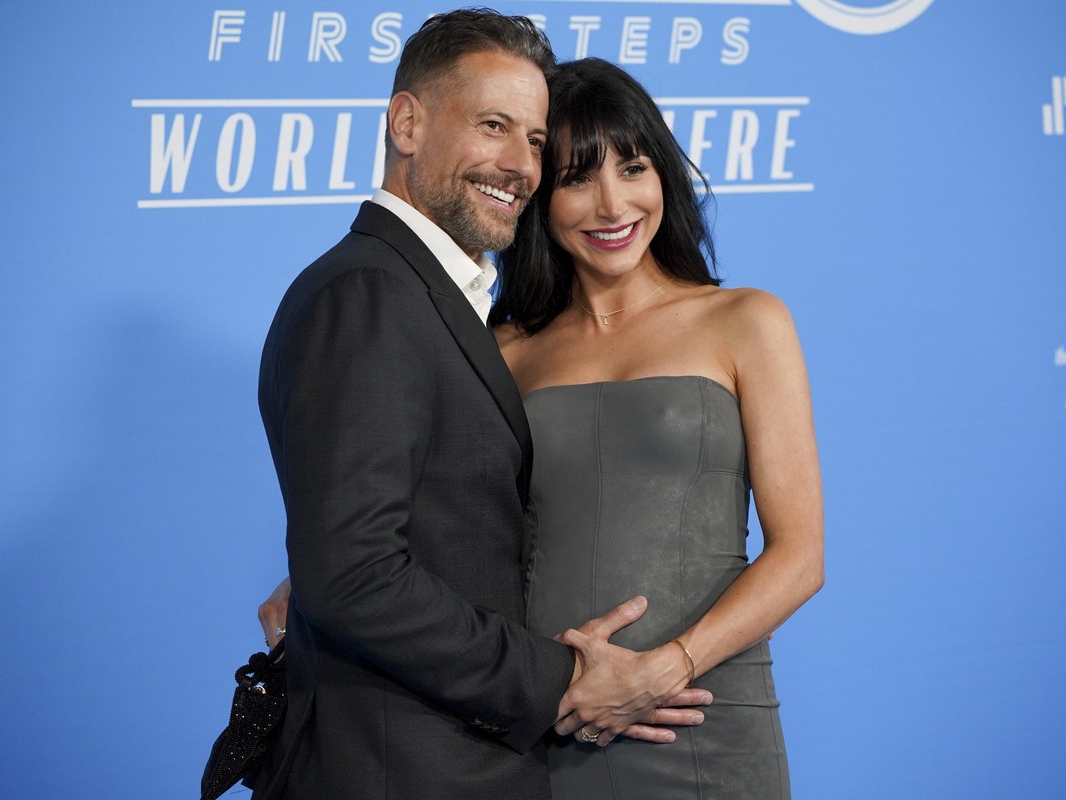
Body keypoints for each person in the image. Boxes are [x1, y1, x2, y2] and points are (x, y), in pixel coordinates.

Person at [262, 55, 824, 797]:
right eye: (575, 179)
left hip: (697, 715)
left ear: (666, 177)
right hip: (551, 726)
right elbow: (444, 501)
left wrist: (665, 669)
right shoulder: (499, 347)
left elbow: (800, 556)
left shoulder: (747, 321)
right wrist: (315, 575)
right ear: (540, 199)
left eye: (633, 168)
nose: (611, 205)